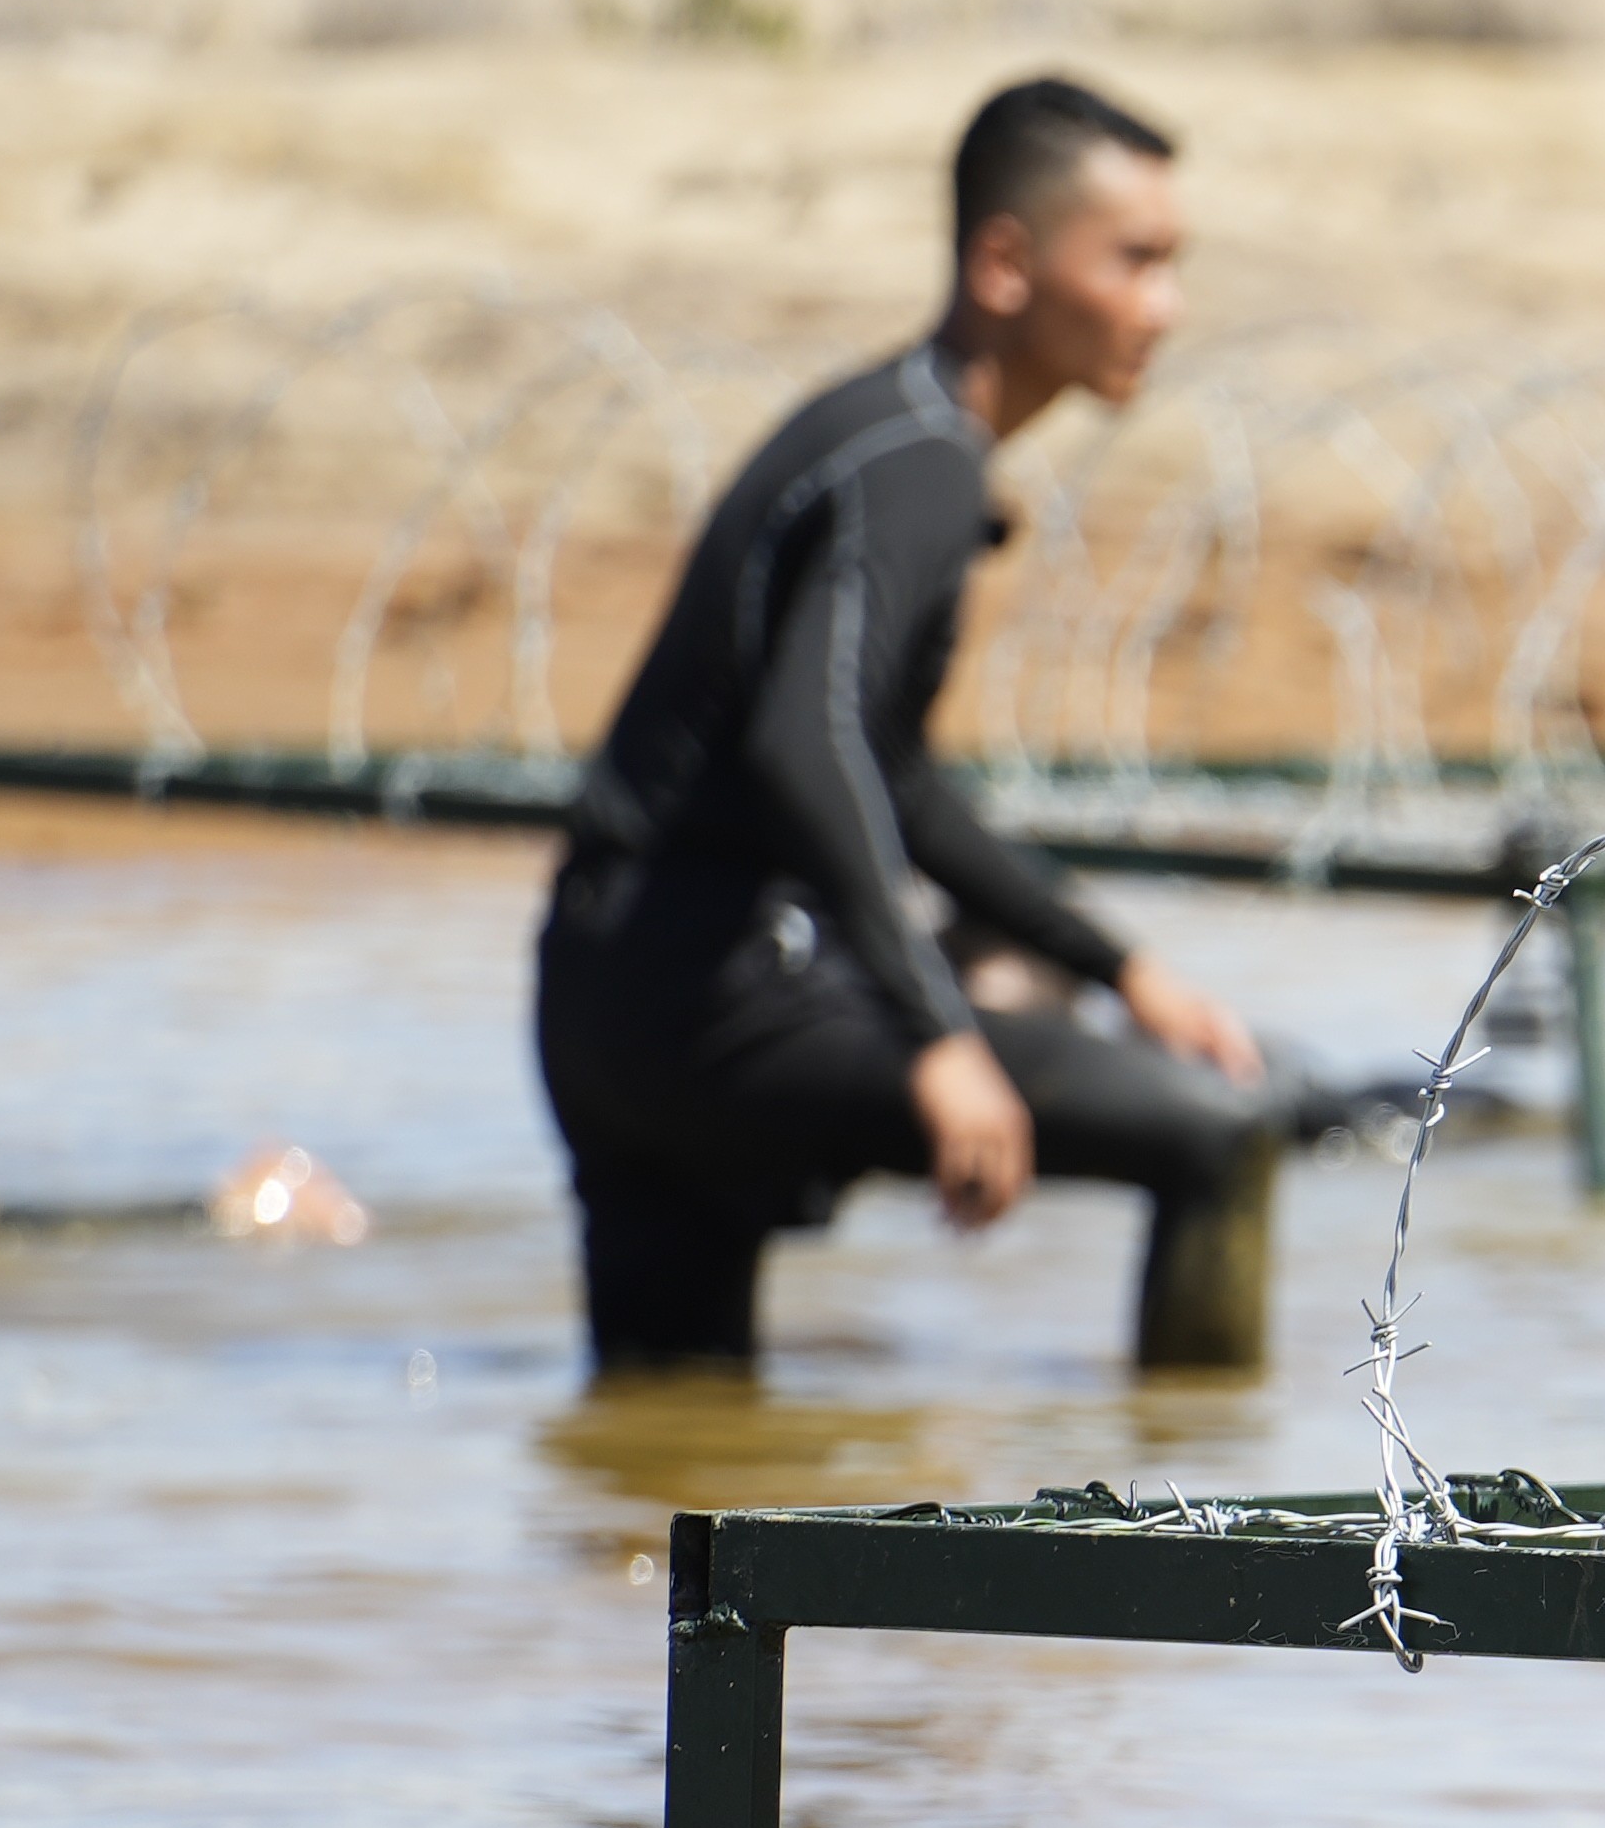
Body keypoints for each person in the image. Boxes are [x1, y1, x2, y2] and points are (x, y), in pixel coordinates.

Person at [537, 75, 1276, 1371]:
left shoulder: (889, 431)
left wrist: (1117, 967)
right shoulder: (923, 462)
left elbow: (886, 775)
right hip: (724, 997)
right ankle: (1212, 1556)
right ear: (1006, 262)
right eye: (1137, 261)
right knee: (1216, 1134)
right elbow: (803, 744)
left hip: (607, 996)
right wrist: (940, 1040)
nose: (1167, 307)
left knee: (670, 1465)